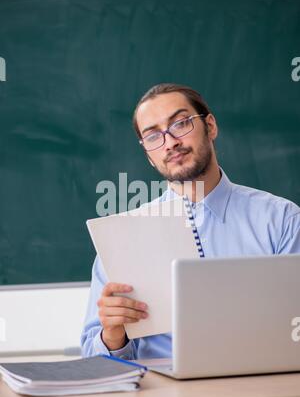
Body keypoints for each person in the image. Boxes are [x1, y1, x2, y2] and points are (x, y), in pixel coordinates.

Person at [81, 83, 300, 360]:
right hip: (161, 394)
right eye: (152, 137)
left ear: (210, 126)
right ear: (149, 156)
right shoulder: (122, 238)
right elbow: (93, 360)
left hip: (261, 385)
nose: (170, 142)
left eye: (181, 123)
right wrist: (113, 335)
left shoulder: (281, 220)